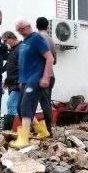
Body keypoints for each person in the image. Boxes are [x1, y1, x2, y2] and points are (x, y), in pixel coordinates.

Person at [10, 18, 54, 149]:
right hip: (24, 80)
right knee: (20, 108)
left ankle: (23, 139)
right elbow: (23, 62)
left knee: (26, 107)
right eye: (18, 30)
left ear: (29, 26)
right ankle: (42, 131)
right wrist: (20, 81)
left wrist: (46, 77)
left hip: (35, 79)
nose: (20, 32)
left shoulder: (37, 39)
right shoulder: (24, 42)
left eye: (22, 29)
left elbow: (50, 57)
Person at [36, 17, 56, 132]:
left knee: (38, 103)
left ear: (36, 26)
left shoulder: (36, 39)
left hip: (40, 75)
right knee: (47, 103)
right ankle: (49, 129)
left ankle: (47, 131)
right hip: (51, 76)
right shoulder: (51, 40)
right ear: (47, 26)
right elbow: (54, 60)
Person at [2, 31, 21, 131]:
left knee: (11, 105)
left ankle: (10, 132)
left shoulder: (21, 48)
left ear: (11, 38)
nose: (4, 43)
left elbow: (23, 67)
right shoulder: (11, 51)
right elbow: (9, 68)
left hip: (18, 84)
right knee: (20, 109)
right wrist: (6, 82)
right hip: (12, 84)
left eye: (5, 41)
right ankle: (39, 129)